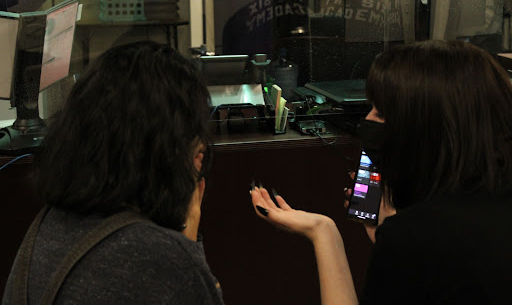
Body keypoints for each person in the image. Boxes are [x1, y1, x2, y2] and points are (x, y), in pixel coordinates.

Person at [250, 40, 512, 304]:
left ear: (428, 128)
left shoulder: (415, 238)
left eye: (382, 112)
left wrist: (327, 234)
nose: (367, 121)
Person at [2, 41, 223, 304]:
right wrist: (188, 246)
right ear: (163, 154)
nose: (199, 168)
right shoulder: (160, 258)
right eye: (197, 154)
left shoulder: (47, 227)